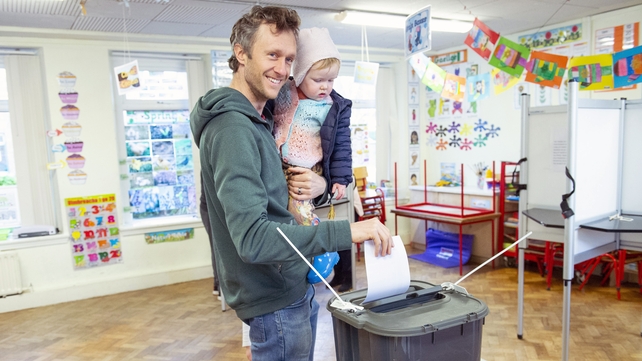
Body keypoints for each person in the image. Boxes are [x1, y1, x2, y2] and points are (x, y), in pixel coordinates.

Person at [189, 6, 391, 361]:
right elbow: (252, 238)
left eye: (289, 59)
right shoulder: (233, 128)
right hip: (275, 300)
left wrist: (321, 184)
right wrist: (347, 232)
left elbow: (278, 197)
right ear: (240, 53)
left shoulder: (260, 120)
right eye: (272, 55)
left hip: (289, 286)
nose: (283, 70)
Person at [273, 27, 352, 227]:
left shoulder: (333, 106)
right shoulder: (283, 91)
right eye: (318, 80)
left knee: (300, 210)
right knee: (279, 210)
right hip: (278, 164)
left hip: (307, 168)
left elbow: (342, 146)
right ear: (300, 75)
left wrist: (340, 179)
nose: (325, 86)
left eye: (331, 80)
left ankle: (318, 244)